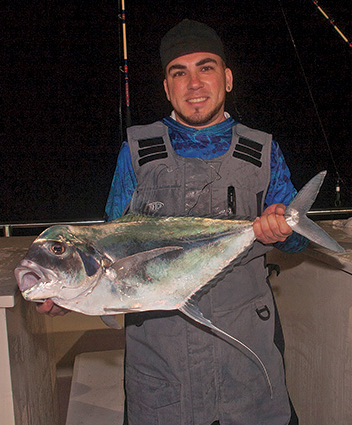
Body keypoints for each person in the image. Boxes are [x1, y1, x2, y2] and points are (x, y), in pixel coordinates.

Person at [38, 18, 306, 424]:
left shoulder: (263, 149)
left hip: (246, 347)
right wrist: (66, 291)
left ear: (227, 79)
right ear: (167, 87)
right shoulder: (135, 152)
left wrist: (282, 232)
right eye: (179, 73)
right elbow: (109, 251)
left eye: (206, 68)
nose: (193, 83)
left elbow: (299, 240)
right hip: (161, 355)